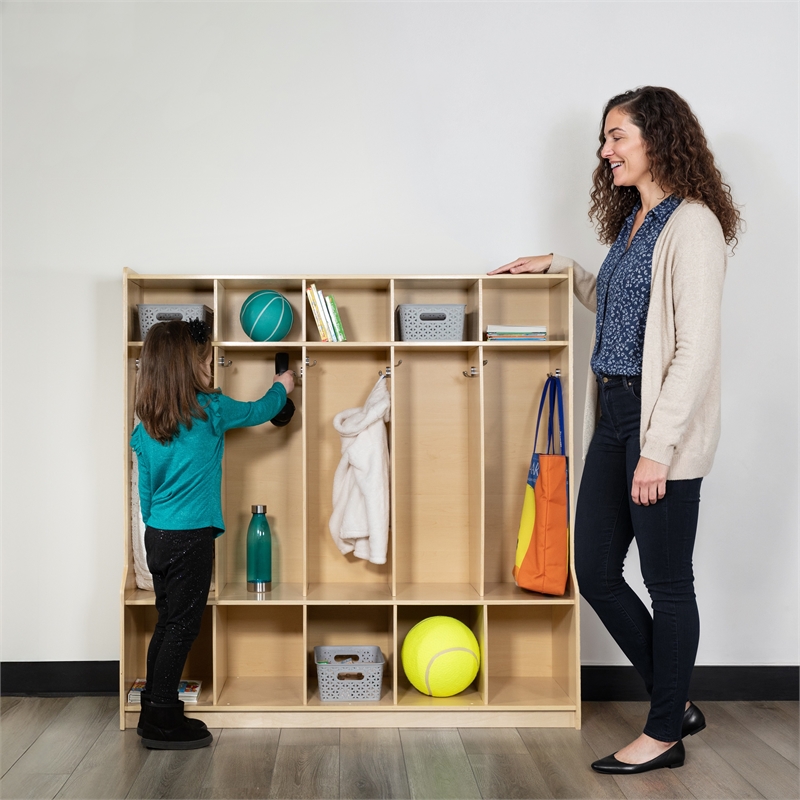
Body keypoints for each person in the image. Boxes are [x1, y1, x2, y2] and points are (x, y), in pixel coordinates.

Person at [490, 86, 741, 774]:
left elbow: (693, 349)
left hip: (659, 427)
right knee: (596, 570)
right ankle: (675, 702)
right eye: (604, 139)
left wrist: (658, 450)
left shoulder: (693, 226)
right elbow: (619, 309)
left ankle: (662, 734)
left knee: (667, 581)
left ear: (658, 137)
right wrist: (562, 268)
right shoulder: (635, 222)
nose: (605, 151)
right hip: (614, 415)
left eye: (617, 136)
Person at [131, 318, 295, 749]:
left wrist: (159, 526)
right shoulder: (211, 411)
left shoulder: (145, 426)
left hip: (158, 535)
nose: (209, 369)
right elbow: (259, 410)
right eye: (205, 362)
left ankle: (152, 711)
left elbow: (145, 495)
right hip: (190, 538)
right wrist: (283, 386)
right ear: (187, 367)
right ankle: (163, 720)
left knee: (167, 623)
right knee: (183, 627)